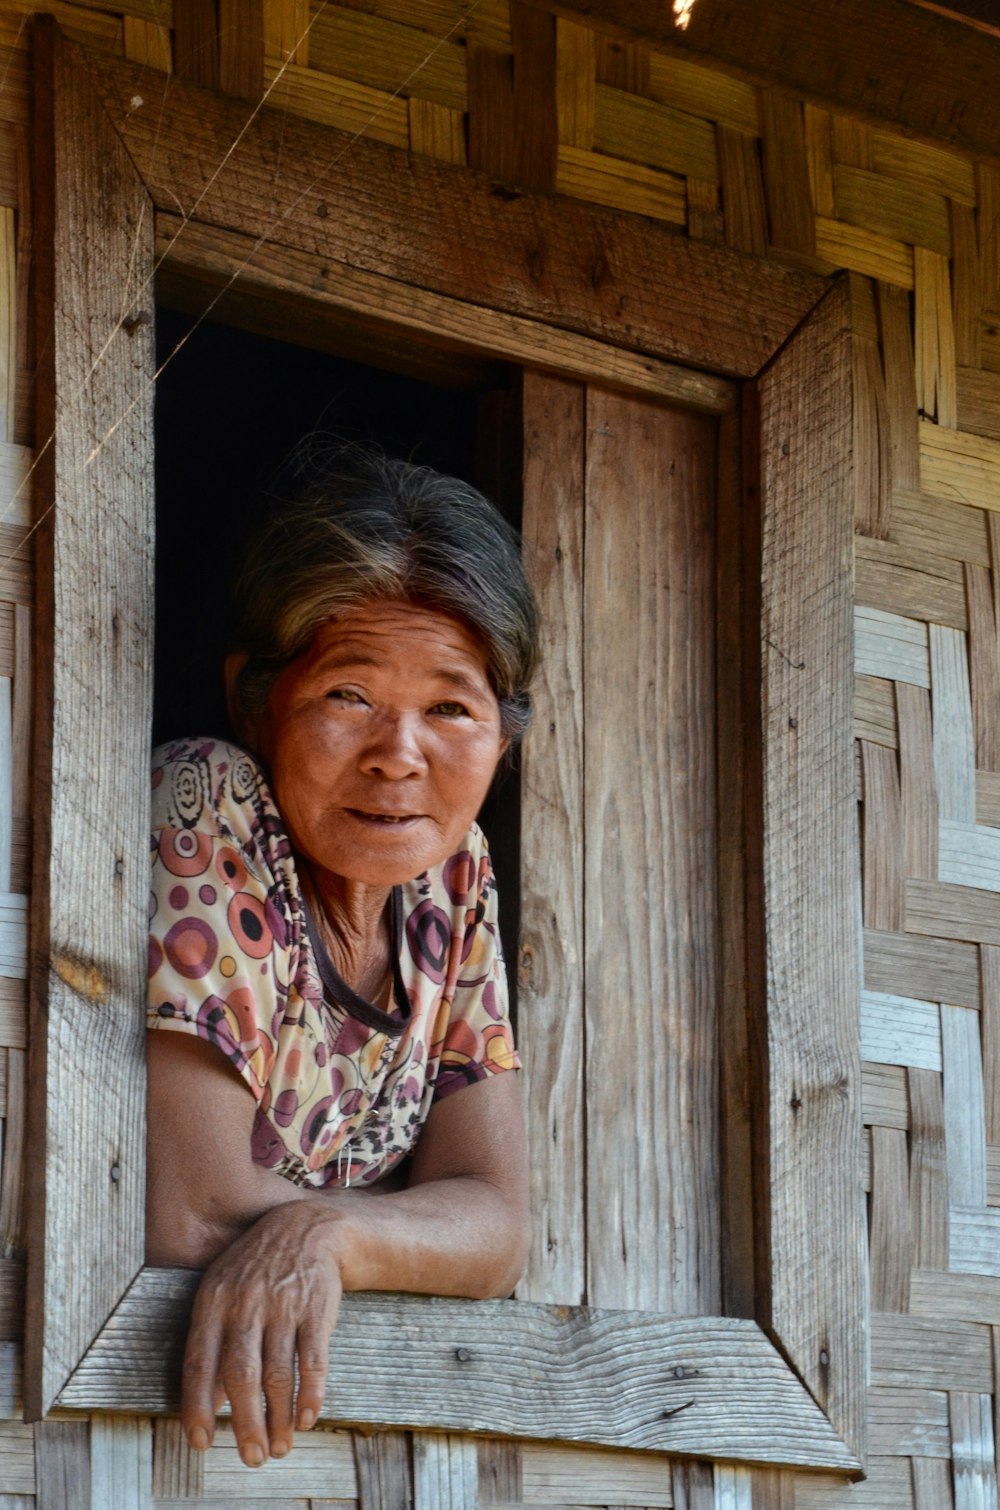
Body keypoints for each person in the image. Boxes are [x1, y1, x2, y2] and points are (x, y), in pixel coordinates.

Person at [146, 449, 537, 1468]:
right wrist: (409, 1230)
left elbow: (496, 1223)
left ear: (503, 737)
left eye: (451, 707)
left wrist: (330, 1238)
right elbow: (194, 1210)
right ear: (254, 700)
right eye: (349, 694)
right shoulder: (208, 803)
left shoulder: (454, 881)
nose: (398, 755)